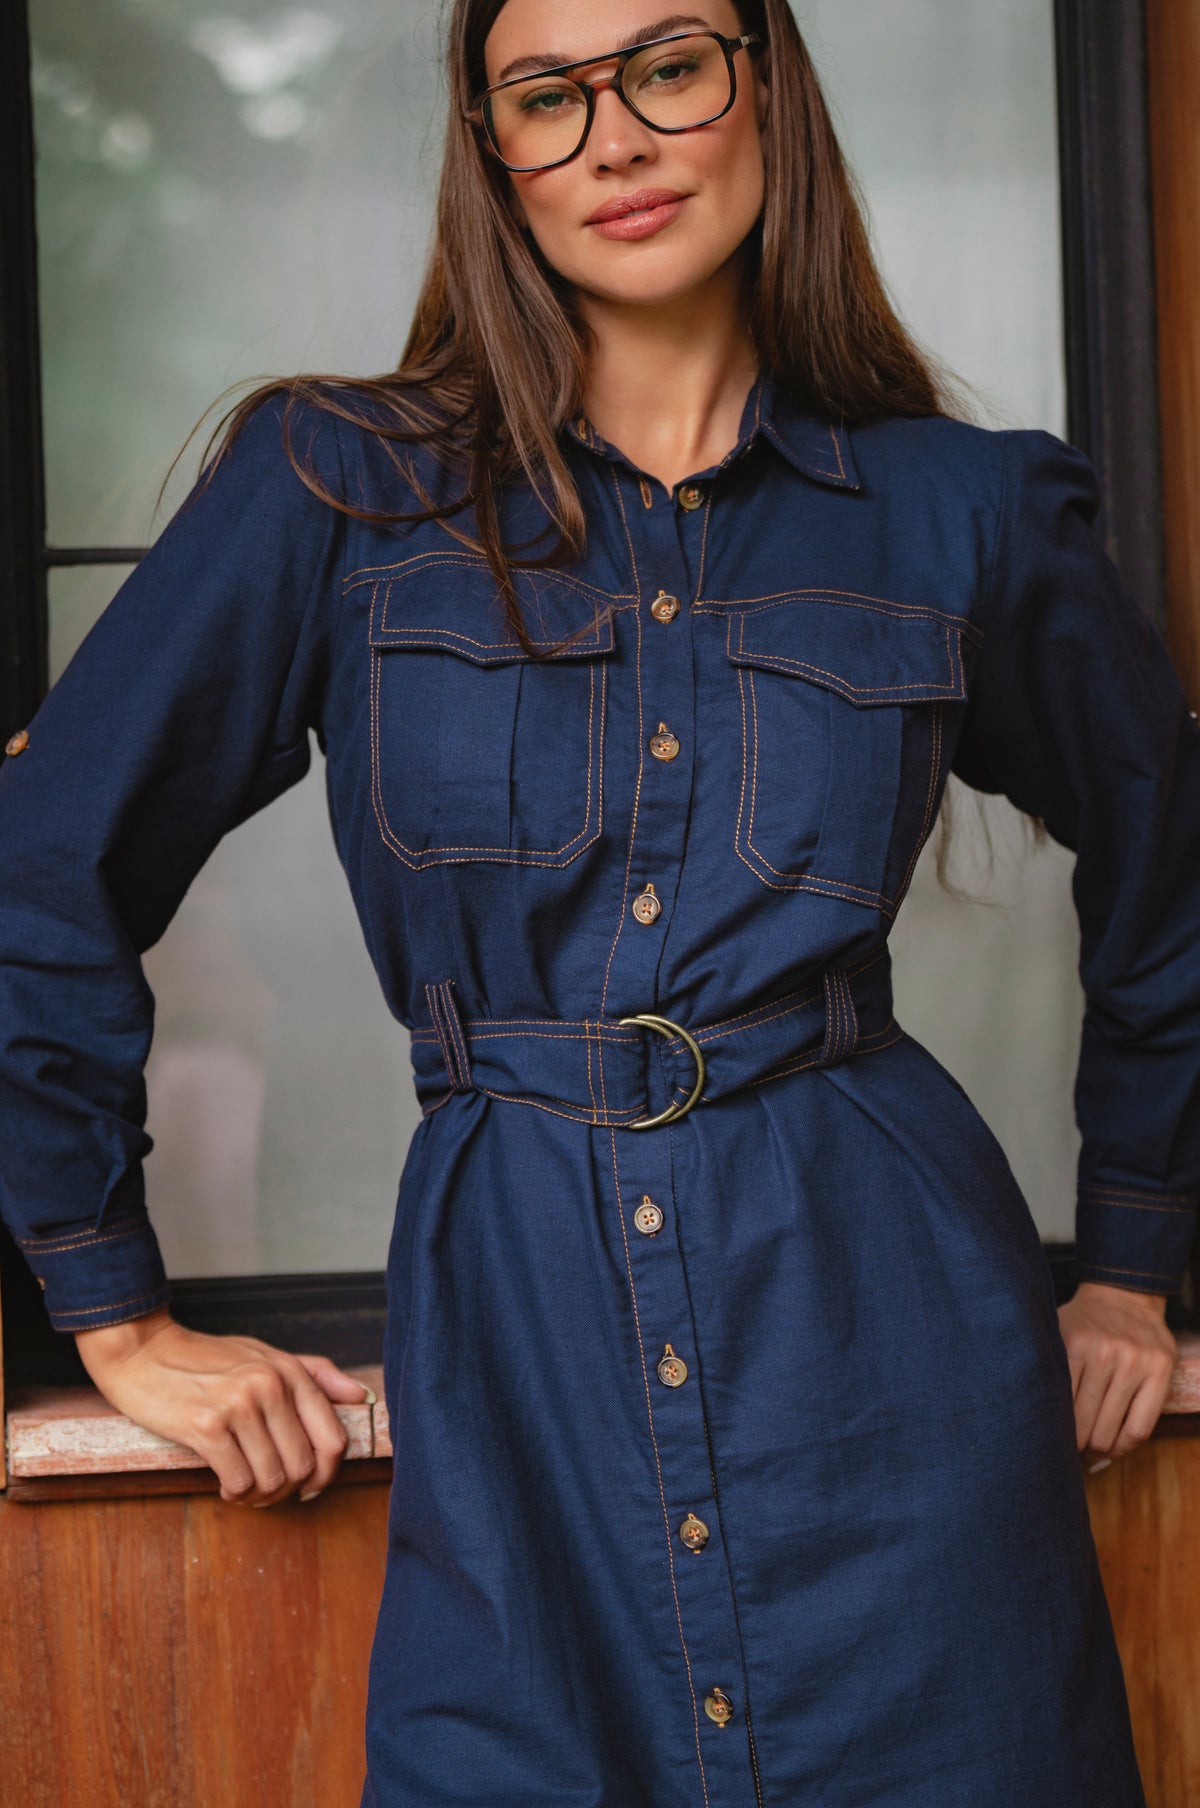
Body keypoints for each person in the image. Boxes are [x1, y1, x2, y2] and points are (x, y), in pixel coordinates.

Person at [1, 0, 1197, 1801]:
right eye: (544, 97)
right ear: (494, 153)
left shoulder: (962, 511)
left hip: (889, 1346)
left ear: (763, 87)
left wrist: (1132, 1261)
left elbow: (1170, 850)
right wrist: (115, 1311)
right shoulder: (337, 491)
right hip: (518, 1365)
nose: (614, 139)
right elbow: (43, 861)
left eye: (667, 65)